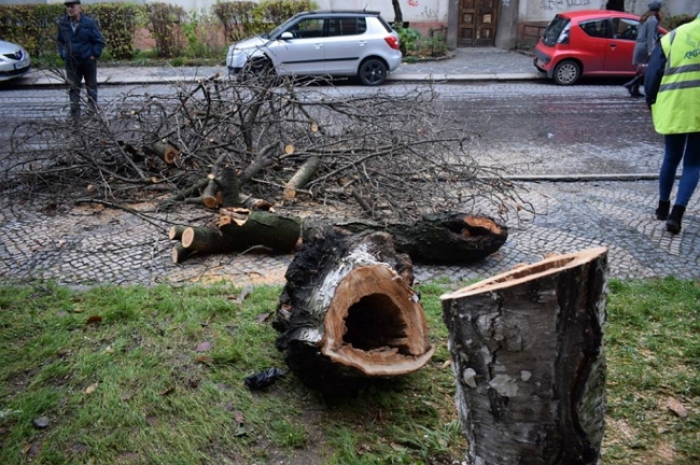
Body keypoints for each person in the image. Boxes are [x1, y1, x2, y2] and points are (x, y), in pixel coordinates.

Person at [644, 12, 700, 234]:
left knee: (671, 156)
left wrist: (650, 99)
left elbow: (653, 73)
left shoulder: (674, 37)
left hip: (675, 105)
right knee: (694, 163)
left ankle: (662, 206)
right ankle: (677, 212)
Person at [56, 0, 105, 119]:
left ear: (79, 8)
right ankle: (75, 116)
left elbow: (99, 41)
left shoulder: (88, 23)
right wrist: (63, 53)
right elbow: (60, 42)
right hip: (72, 62)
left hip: (87, 61)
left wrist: (93, 55)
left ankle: (92, 114)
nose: (69, 9)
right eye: (67, 7)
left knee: (91, 88)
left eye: (72, 6)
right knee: (73, 89)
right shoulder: (63, 24)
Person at [623, 1, 662, 97]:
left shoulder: (644, 18)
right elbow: (651, 36)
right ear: (658, 9)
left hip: (639, 45)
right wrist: (651, 50)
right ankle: (632, 85)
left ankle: (634, 88)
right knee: (647, 69)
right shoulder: (653, 20)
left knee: (641, 69)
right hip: (646, 47)